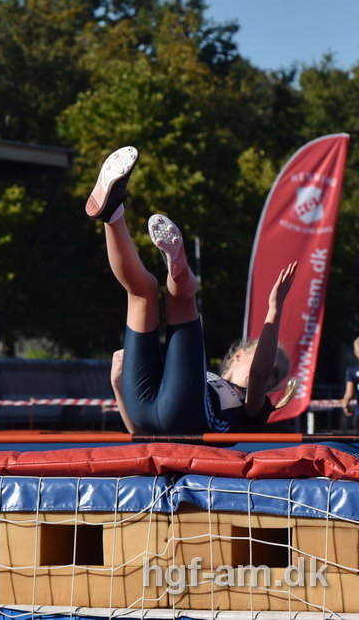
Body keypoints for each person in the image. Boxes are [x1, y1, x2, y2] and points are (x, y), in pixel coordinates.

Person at [91, 146, 296, 434]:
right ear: (238, 355)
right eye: (268, 358)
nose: (268, 369)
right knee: (144, 291)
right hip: (156, 408)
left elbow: (136, 435)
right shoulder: (209, 379)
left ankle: (180, 267)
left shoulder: (253, 409)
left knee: (169, 296)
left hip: (173, 414)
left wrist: (117, 386)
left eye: (276, 374)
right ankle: (113, 212)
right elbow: (143, 431)